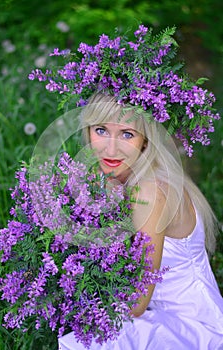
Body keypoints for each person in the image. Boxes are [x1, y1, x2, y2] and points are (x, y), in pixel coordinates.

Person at [58, 92, 223, 350]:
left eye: (127, 134)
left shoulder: (150, 191)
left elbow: (136, 303)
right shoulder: (119, 175)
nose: (111, 148)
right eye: (101, 130)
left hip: (192, 326)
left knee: (86, 342)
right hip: (163, 316)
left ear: (146, 140)